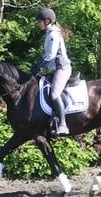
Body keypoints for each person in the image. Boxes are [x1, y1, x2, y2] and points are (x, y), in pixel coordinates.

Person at [31, 7, 72, 135]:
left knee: (54, 94)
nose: (38, 24)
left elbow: (51, 56)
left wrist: (39, 66)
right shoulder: (50, 33)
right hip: (54, 69)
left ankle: (63, 124)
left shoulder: (53, 34)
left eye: (40, 21)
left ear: (47, 21)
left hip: (62, 69)